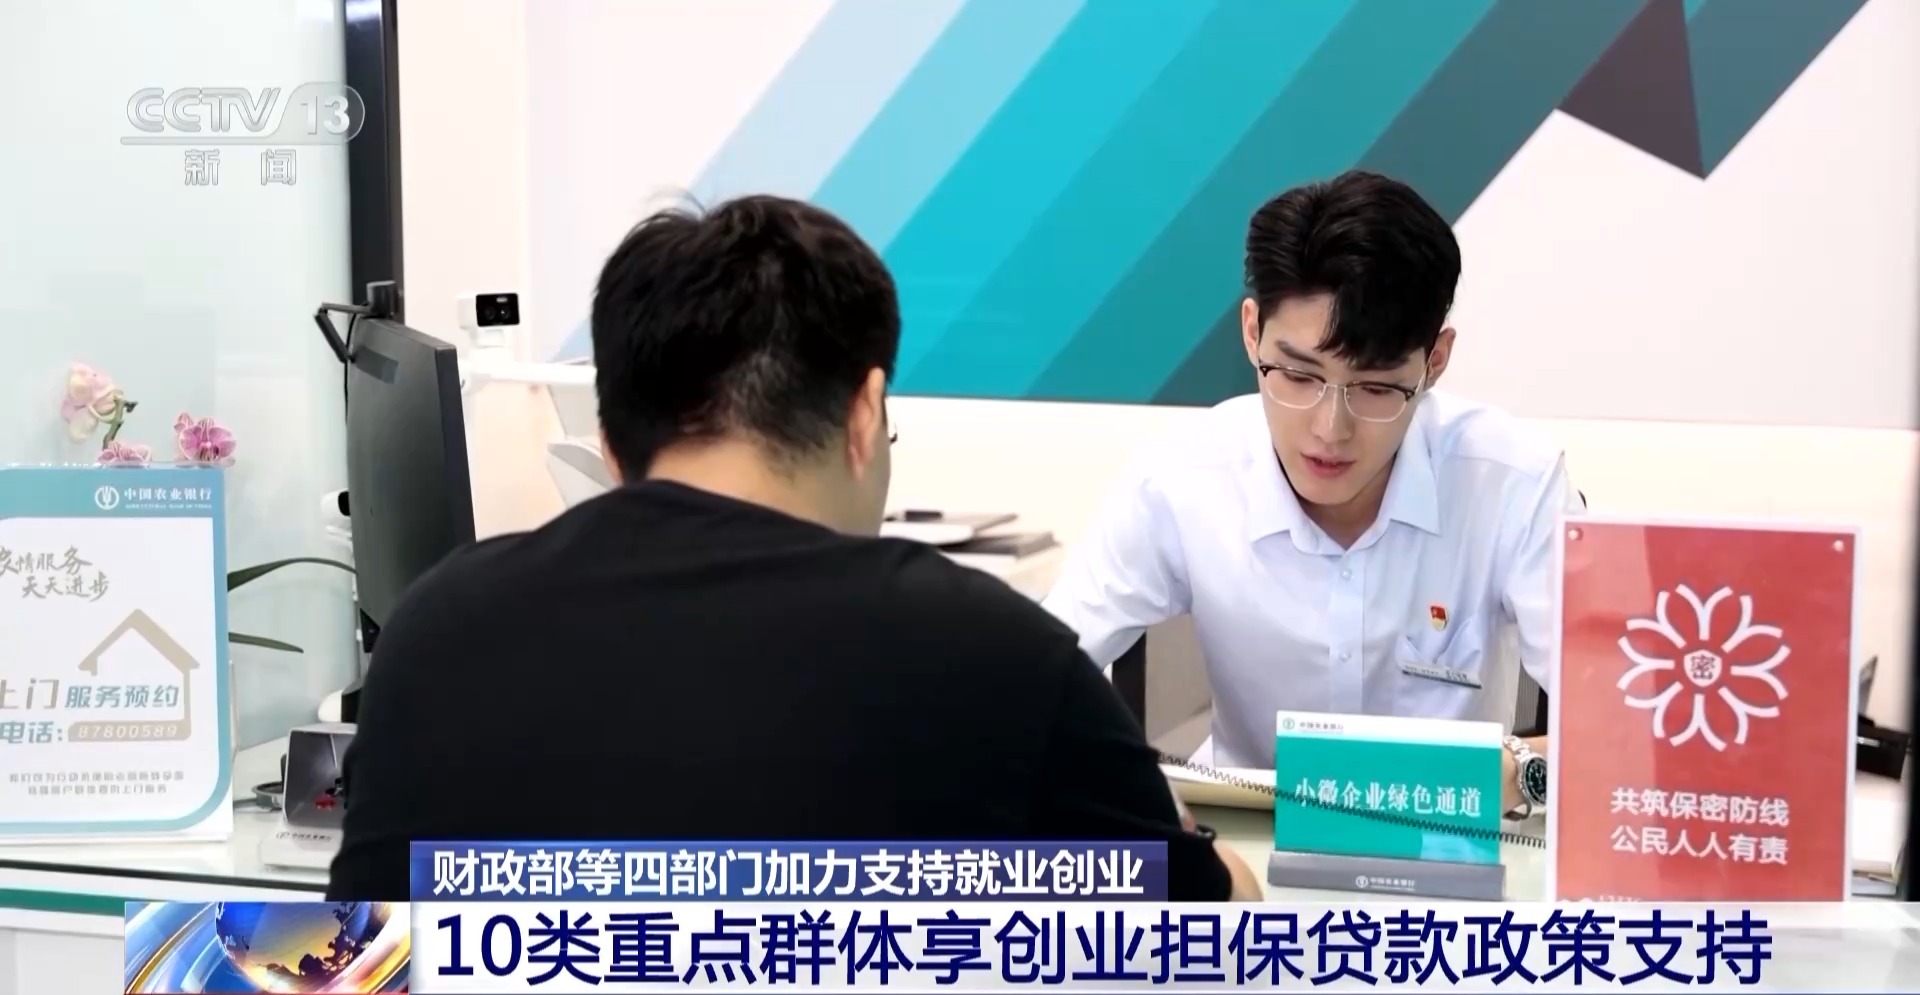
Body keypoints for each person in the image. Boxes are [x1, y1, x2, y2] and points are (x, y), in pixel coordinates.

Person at [327, 194, 1259, 901]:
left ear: (607, 443)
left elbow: (345, 955)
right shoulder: (996, 655)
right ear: (864, 415)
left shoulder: (433, 634)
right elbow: (1216, 934)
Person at [1043, 171, 1578, 813]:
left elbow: (1630, 730)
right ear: (1251, 332)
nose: (1330, 429)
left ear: (1435, 360)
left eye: (1375, 388)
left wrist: (1517, 771)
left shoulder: (1514, 485)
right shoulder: (1181, 480)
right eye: (1298, 376)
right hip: (1243, 840)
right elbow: (1030, 678)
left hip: (1450, 838)